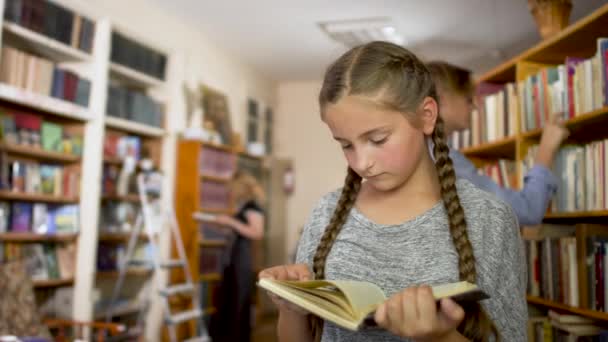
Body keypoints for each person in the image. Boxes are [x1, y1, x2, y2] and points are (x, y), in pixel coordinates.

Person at [259, 41, 526, 342]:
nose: (362, 163)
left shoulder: (490, 218)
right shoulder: (325, 213)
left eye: (378, 139)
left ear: (426, 116)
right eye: (346, 144)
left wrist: (441, 337)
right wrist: (291, 308)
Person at [427, 61, 570, 225]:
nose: (474, 107)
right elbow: (527, 211)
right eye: (468, 99)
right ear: (442, 100)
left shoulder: (418, 153)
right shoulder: (446, 161)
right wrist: (546, 150)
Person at [208, 170, 265, 342]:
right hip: (233, 257)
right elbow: (240, 230)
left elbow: (257, 233)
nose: (229, 192)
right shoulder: (242, 206)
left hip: (242, 259)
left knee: (239, 300)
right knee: (229, 299)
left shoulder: (253, 207)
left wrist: (230, 222)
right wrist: (225, 226)